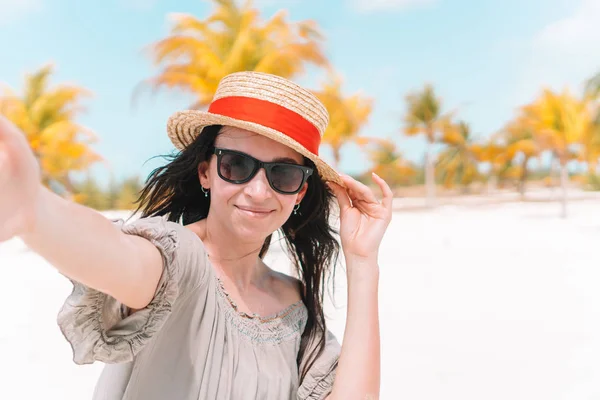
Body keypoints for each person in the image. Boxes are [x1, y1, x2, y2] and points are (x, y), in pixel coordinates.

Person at [0, 71, 392, 399]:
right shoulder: (180, 258)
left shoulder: (292, 304)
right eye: (237, 165)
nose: (258, 190)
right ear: (206, 171)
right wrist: (34, 211)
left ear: (300, 191)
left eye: (283, 174)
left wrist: (362, 263)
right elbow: (117, 255)